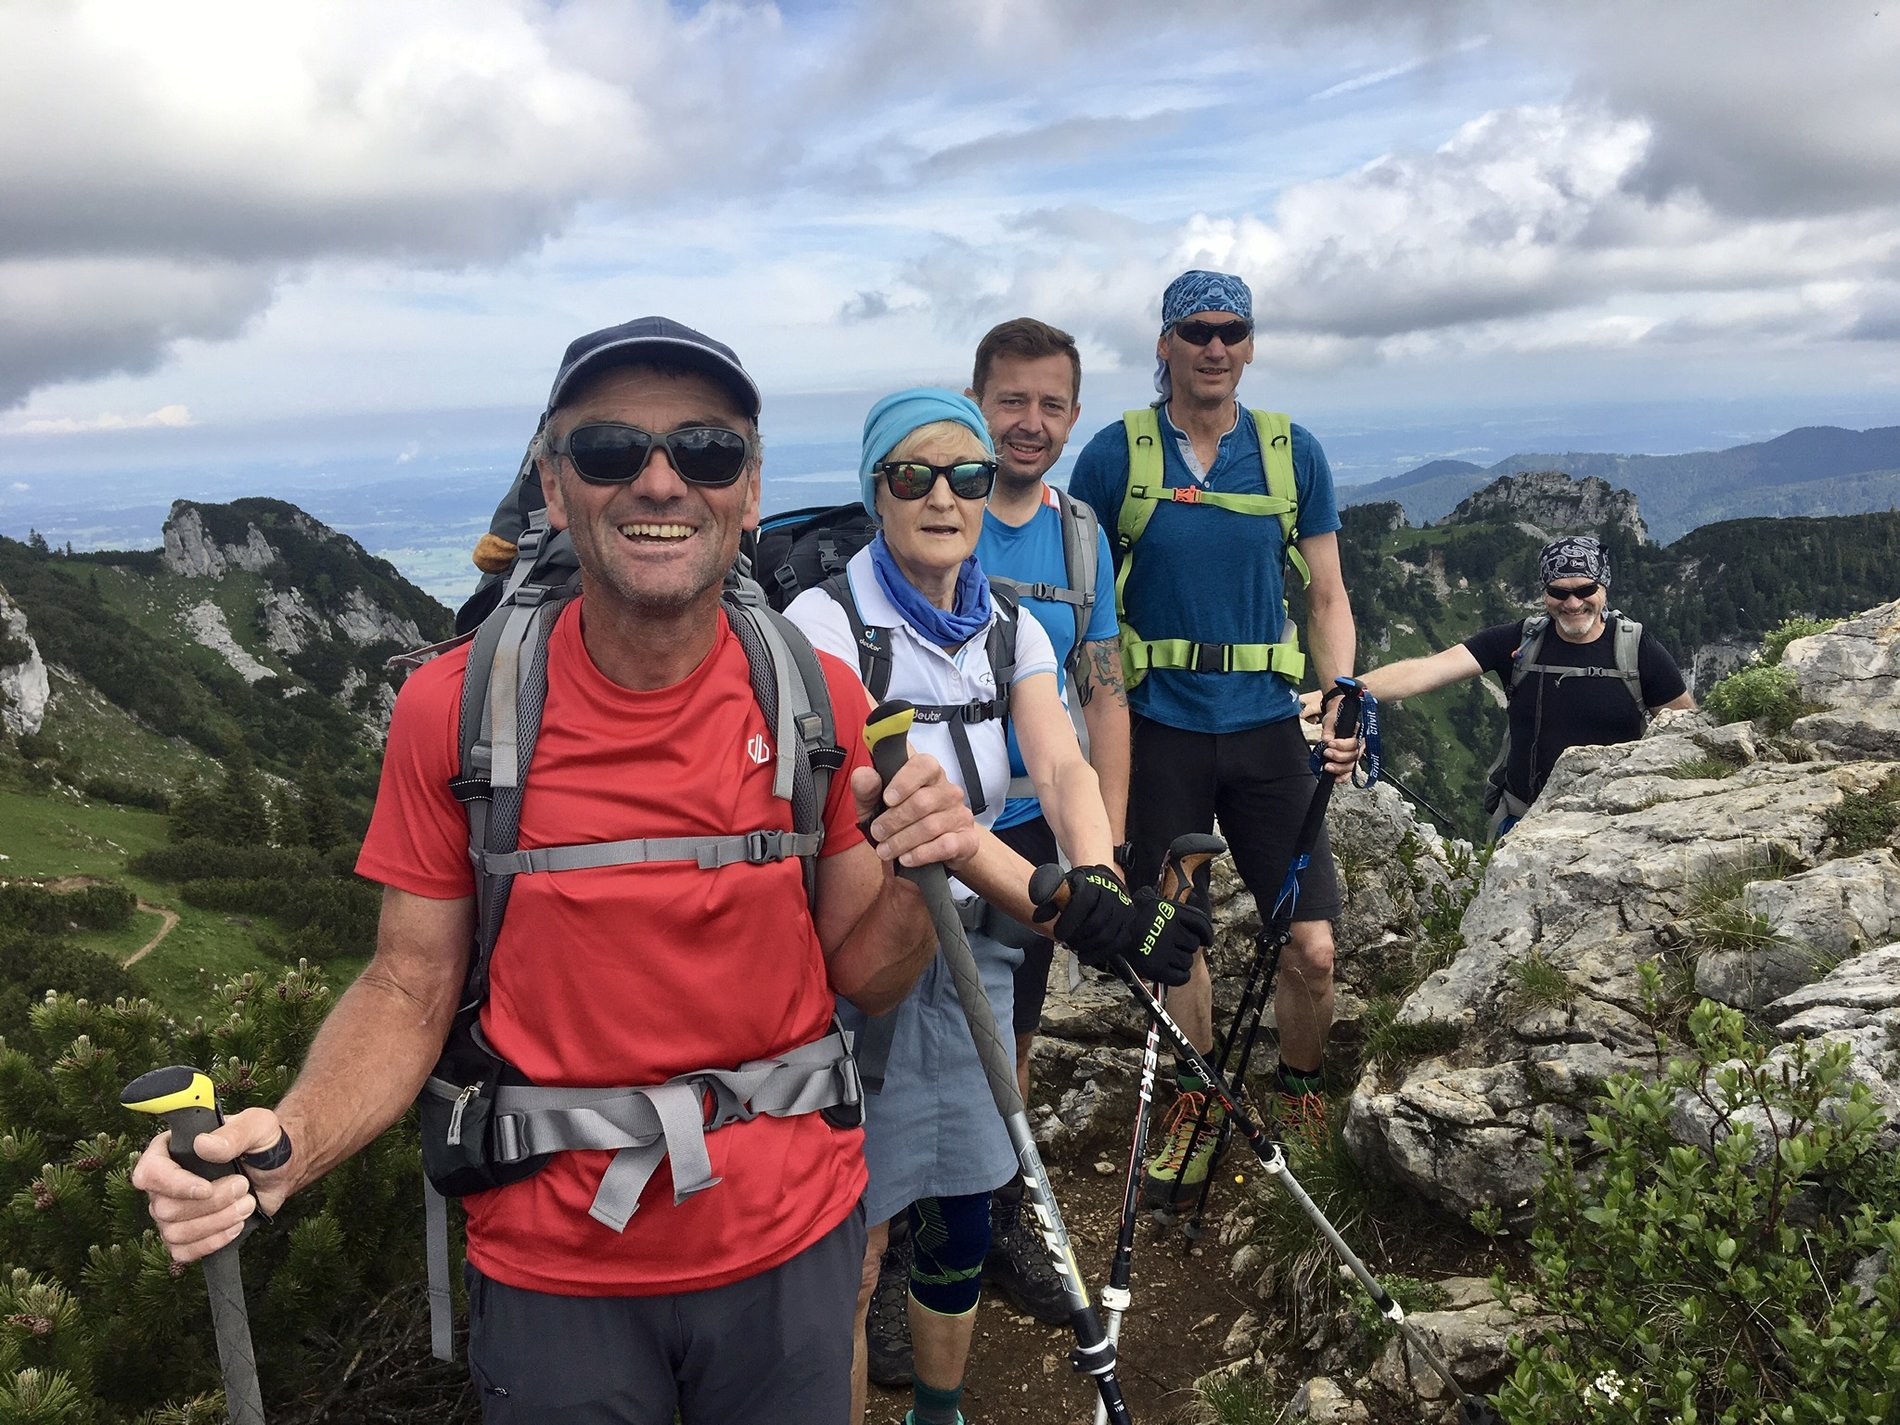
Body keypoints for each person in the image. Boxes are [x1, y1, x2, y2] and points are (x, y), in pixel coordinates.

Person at [130, 317, 989, 1425]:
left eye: (707, 450)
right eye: (610, 449)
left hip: (788, 1240)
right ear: (552, 482)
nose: (662, 481)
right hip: (554, 1268)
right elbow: (409, 984)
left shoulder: (816, 694)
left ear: (751, 488)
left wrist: (921, 877)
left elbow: (866, 975)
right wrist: (287, 1147)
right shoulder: (456, 709)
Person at [784, 388, 1208, 1425]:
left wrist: (1098, 877)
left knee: (962, 1210)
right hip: (855, 960)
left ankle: (939, 1412)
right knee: (854, 1248)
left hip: (973, 949)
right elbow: (913, 813)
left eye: (966, 476)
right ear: (875, 492)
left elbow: (1059, 761)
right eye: (913, 475)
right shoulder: (822, 627)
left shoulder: (1006, 623)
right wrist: (1082, 916)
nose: (944, 497)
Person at [1068, 268, 1360, 1198]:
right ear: (1165, 344)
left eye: (1232, 330)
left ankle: (1301, 1091)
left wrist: (1340, 696)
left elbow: (1326, 593)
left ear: (1250, 344)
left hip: (1268, 728)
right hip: (1160, 731)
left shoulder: (1291, 452)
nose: (1215, 346)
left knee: (1312, 945)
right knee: (1175, 940)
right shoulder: (1115, 455)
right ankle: (1194, 1108)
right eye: (1196, 330)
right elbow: (1082, 599)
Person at [966, 316, 1126, 1325]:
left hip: (1032, 823)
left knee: (1015, 1035)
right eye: (1011, 400)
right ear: (976, 402)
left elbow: (1101, 693)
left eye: (1050, 405)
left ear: (1072, 416)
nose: (1030, 422)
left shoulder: (1079, 536)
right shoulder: (934, 505)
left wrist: (1107, 844)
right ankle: (898, 1249)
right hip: (925, 822)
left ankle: (992, 1213)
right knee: (899, 1037)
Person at [1314, 535, 1694, 838]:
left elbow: (1686, 735)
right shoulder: (1518, 641)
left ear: (1603, 587)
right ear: (1545, 592)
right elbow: (1426, 671)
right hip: (1523, 822)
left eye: (1584, 589)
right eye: (1559, 592)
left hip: (1610, 826)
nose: (1572, 602)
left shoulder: (1637, 650)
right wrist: (1335, 693)